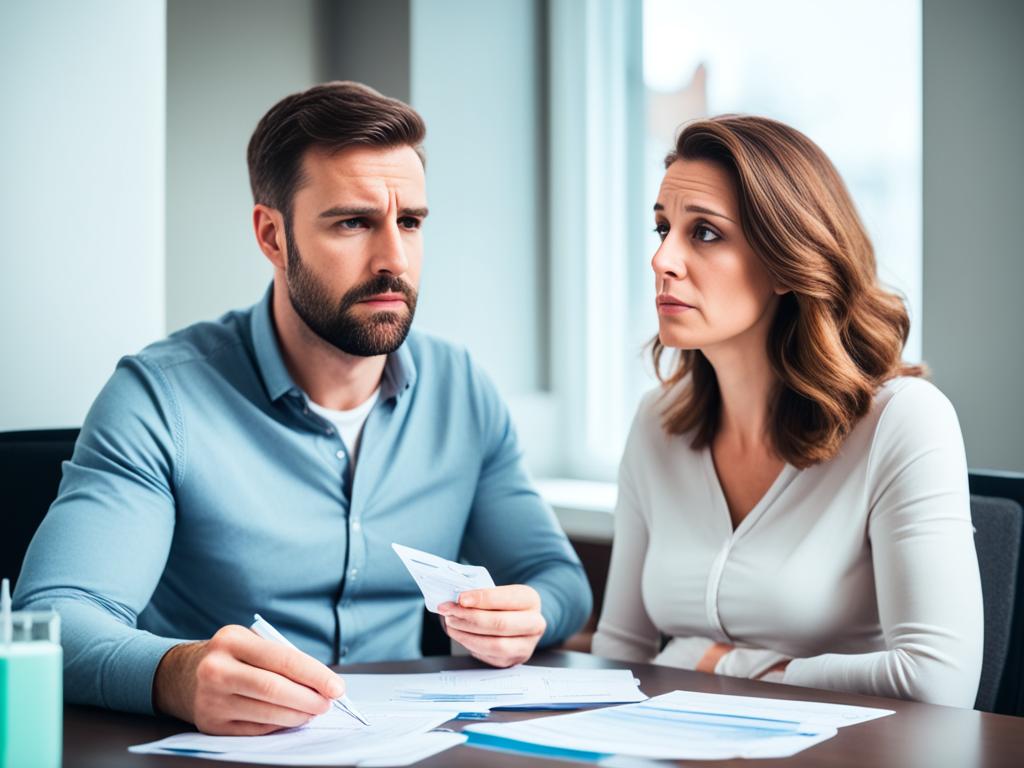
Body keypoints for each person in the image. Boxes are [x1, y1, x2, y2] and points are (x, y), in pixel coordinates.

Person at [14, 81, 591, 734]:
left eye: (410, 222)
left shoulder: (462, 389)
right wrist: (176, 673)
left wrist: (531, 612)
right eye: (353, 222)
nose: (393, 260)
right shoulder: (159, 397)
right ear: (273, 235)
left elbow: (559, 580)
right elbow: (56, 618)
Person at [592, 115, 983, 708]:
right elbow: (620, 651)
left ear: (784, 262)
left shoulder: (903, 422)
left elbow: (939, 680)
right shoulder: (657, 424)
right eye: (662, 228)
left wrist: (730, 666)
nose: (662, 259)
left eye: (704, 234)